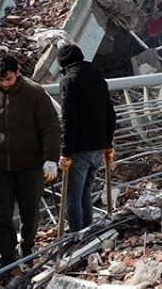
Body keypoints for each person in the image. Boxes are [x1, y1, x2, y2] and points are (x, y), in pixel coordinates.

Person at [0, 53, 61, 266]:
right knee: (3, 214)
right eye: (0, 80)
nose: (5, 84)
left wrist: (50, 158)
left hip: (30, 165)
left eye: (8, 79)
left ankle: (27, 248)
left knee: (30, 212)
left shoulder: (35, 93)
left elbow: (51, 127)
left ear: (17, 73)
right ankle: (7, 256)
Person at [57, 45, 116, 232]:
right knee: (85, 194)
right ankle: (88, 233)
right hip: (99, 147)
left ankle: (76, 237)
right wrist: (108, 144)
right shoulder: (98, 76)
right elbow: (110, 113)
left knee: (73, 197)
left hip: (80, 149)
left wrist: (65, 151)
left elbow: (69, 120)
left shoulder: (68, 81)